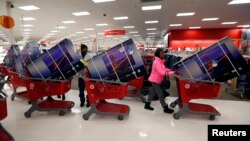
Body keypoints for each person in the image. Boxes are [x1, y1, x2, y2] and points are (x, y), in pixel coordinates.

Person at [144, 48, 175, 113]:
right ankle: (165, 108)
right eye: (161, 53)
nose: (163, 54)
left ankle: (147, 104)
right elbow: (160, 72)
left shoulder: (160, 61)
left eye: (163, 53)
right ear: (158, 54)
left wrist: (169, 70)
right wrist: (171, 73)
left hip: (156, 79)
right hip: (156, 80)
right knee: (160, 94)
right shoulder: (156, 62)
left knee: (152, 93)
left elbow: (163, 69)